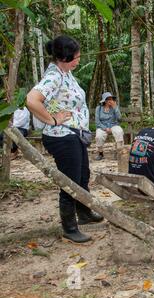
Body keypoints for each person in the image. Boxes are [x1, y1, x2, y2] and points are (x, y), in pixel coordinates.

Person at [26, 35, 103, 244]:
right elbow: (32, 100)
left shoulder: (65, 72)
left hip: (74, 135)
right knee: (69, 182)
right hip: (62, 137)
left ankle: (84, 212)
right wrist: (52, 119)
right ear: (65, 57)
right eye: (76, 57)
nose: (79, 60)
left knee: (83, 175)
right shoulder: (54, 76)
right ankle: (69, 227)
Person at [94, 92, 124, 160]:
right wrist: (105, 128)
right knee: (99, 136)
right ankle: (100, 153)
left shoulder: (115, 107)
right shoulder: (98, 108)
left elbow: (119, 119)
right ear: (104, 100)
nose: (110, 100)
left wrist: (115, 108)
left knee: (119, 131)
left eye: (111, 99)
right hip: (102, 126)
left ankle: (119, 152)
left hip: (114, 125)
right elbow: (97, 122)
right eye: (108, 99)